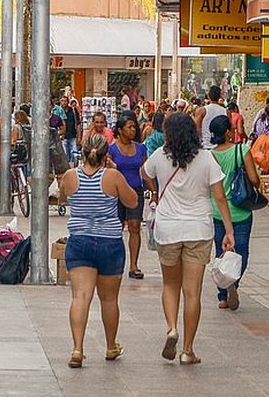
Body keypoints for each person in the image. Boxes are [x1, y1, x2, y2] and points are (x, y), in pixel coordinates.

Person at [141, 112, 235, 365]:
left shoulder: (160, 155)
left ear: (168, 133)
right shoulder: (206, 158)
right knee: (192, 292)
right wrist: (229, 230)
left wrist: (155, 191)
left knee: (170, 285)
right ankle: (188, 350)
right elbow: (219, 197)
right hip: (198, 229)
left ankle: (171, 328)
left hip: (168, 229)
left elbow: (144, 171)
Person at [60, 133, 138, 368]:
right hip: (109, 243)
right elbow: (132, 201)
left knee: (80, 297)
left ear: (83, 153)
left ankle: (77, 349)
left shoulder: (70, 176)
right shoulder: (113, 177)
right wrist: (115, 172)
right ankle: (111, 345)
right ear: (107, 156)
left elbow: (64, 198)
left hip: (79, 242)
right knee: (109, 299)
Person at [208, 115, 261, 311]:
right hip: (241, 210)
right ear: (228, 132)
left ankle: (222, 296)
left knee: (221, 251)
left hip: (217, 211)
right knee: (241, 253)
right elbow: (254, 179)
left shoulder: (210, 155)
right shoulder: (242, 150)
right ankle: (233, 283)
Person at [108, 114, 147, 280]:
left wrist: (155, 192)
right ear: (120, 130)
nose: (133, 130)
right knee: (117, 228)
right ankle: (115, 263)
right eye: (129, 127)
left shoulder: (140, 148)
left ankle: (134, 265)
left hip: (136, 190)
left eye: (134, 127)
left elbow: (145, 171)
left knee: (134, 226)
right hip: (117, 193)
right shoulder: (112, 149)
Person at [193, 85, 227, 150]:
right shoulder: (225, 111)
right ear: (220, 96)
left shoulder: (201, 111)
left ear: (208, 96)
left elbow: (196, 129)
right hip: (220, 147)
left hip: (205, 146)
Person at [62, 96, 81, 166]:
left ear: (68, 102)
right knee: (64, 155)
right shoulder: (59, 111)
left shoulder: (73, 110)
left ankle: (75, 168)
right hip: (63, 137)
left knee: (75, 155)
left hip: (72, 135)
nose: (63, 102)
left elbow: (78, 123)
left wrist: (79, 136)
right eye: (62, 101)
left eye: (65, 101)